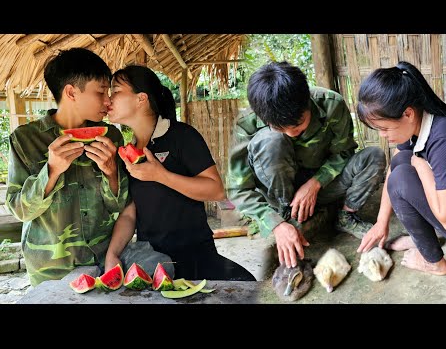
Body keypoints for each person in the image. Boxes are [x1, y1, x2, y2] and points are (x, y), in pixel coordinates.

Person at [227, 61, 386, 269]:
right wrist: (274, 224)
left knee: (374, 156)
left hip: (322, 187)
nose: (291, 133)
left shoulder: (331, 104)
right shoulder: (246, 124)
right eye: (280, 128)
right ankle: (288, 215)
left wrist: (315, 183)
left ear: (308, 102)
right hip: (281, 197)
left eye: (298, 125)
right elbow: (238, 190)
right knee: (271, 141)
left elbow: (344, 152)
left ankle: (346, 216)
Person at [104, 64, 256, 281]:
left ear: (141, 98)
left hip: (196, 256)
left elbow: (216, 190)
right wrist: (112, 254)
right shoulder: (130, 151)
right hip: (154, 261)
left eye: (116, 92)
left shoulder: (182, 136)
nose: (109, 99)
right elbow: (129, 213)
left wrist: (161, 175)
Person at [6, 47, 130, 286]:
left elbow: (120, 205)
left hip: (103, 260)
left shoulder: (111, 136)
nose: (108, 101)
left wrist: (112, 173)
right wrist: (50, 171)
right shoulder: (24, 140)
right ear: (71, 92)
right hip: (50, 270)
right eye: (101, 92)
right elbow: (20, 210)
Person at [356, 61, 446, 276]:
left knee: (402, 177)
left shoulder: (445, 140)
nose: (382, 136)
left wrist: (421, 167)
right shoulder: (417, 124)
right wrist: (381, 222)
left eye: (384, 128)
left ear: (408, 113)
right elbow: (395, 166)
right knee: (401, 163)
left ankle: (435, 263)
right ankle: (421, 239)